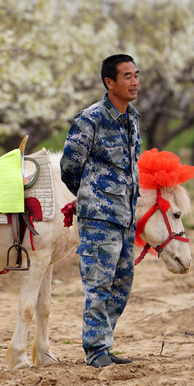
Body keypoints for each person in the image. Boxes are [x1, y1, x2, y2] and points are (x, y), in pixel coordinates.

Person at [60, 54, 141, 368]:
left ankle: (104, 347)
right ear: (110, 82)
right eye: (127, 76)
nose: (134, 82)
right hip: (99, 218)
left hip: (126, 217)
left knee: (121, 283)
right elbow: (70, 166)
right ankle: (95, 352)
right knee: (98, 284)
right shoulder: (90, 118)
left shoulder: (131, 117)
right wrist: (93, 197)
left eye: (136, 75)